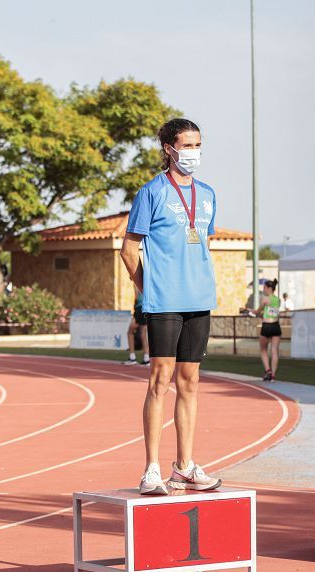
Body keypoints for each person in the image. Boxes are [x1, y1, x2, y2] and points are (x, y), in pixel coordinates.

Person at [120, 117, 221, 496]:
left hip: (199, 301)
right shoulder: (151, 193)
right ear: (168, 148)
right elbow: (129, 252)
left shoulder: (208, 194)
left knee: (190, 383)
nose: (193, 152)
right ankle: (151, 469)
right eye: (187, 145)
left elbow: (203, 244)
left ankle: (185, 466)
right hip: (164, 303)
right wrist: (150, 291)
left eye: (198, 145)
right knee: (160, 381)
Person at [252, 279, 282, 381]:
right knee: (274, 351)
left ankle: (268, 370)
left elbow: (257, 312)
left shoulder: (265, 299)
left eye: (265, 287)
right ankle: (273, 375)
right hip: (276, 326)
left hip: (267, 326)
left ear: (270, 288)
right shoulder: (278, 300)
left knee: (263, 350)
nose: (263, 289)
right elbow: (271, 312)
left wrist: (249, 310)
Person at [124, 290, 150, 366]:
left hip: (140, 308)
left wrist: (135, 303)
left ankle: (132, 357)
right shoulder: (147, 280)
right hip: (146, 308)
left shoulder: (136, 280)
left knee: (130, 332)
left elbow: (136, 296)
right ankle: (147, 358)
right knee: (143, 335)